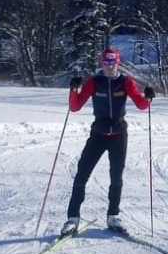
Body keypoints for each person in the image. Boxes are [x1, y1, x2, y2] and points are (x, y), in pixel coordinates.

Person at [61, 47, 155, 236]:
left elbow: (141, 104)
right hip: (98, 134)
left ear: (118, 63)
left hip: (119, 135)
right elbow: (75, 106)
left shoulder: (125, 82)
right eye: (106, 63)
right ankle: (72, 219)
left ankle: (113, 216)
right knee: (81, 174)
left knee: (116, 177)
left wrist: (148, 96)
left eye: (112, 63)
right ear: (102, 63)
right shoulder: (95, 82)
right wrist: (73, 89)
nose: (109, 67)